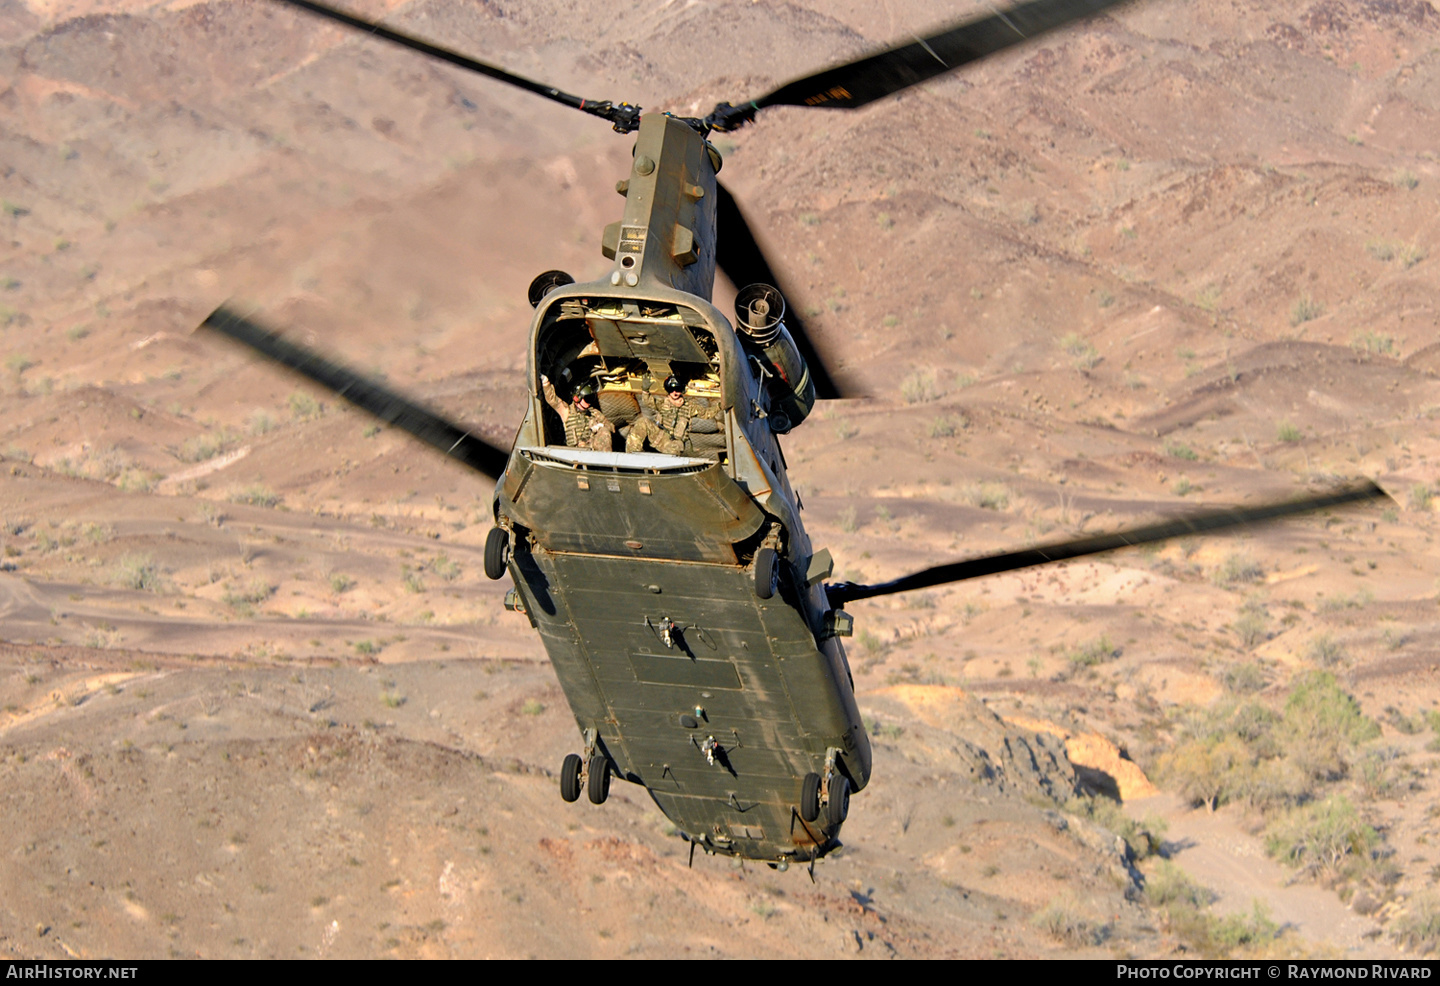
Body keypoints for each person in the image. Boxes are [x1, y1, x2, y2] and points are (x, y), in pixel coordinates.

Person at [626, 375, 721, 456]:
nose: (675, 393)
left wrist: (720, 406)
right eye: (671, 390)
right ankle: (632, 454)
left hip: (674, 442)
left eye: (678, 389)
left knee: (673, 449)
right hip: (660, 435)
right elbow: (648, 402)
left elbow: (706, 414)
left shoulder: (689, 407)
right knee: (643, 421)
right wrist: (645, 391)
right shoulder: (663, 403)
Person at [541, 374, 614, 451]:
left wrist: (599, 427)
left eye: (591, 398)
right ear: (577, 398)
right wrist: (546, 384)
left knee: (604, 432)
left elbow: (611, 427)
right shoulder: (567, 411)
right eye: (587, 398)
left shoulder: (593, 413)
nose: (589, 403)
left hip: (591, 450)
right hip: (574, 452)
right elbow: (553, 400)